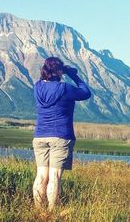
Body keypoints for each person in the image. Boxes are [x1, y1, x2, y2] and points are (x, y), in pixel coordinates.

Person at [32, 57, 92, 211]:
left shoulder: (37, 86)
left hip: (40, 136)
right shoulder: (64, 88)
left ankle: (38, 212)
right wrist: (72, 74)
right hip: (60, 136)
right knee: (55, 177)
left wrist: (59, 70)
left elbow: (46, 81)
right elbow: (86, 93)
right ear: (58, 71)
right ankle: (51, 212)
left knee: (41, 176)